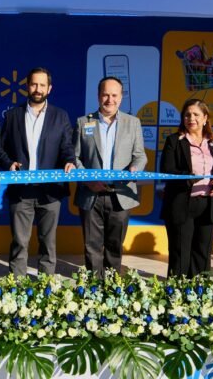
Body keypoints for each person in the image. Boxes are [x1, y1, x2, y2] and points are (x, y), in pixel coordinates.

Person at [0, 67, 75, 278]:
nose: (38, 89)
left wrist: (70, 162)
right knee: (19, 242)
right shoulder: (13, 115)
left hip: (50, 191)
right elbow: (0, 149)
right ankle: (16, 287)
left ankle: (46, 286)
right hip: (21, 191)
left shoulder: (60, 116)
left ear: (49, 88)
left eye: (42, 85)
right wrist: (9, 164)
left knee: (48, 243)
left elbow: (67, 148)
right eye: (34, 84)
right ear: (27, 86)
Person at [74, 76, 147, 277]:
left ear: (121, 97)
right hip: (91, 194)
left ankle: (113, 285)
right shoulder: (83, 122)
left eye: (114, 95)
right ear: (98, 96)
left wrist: (136, 167)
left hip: (121, 193)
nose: (110, 100)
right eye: (105, 95)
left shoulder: (133, 123)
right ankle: (93, 286)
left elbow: (140, 155)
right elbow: (75, 157)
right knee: (92, 245)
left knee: (115, 245)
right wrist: (88, 180)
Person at [160, 99, 213, 277]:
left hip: (210, 204)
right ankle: (177, 291)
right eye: (187, 115)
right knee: (180, 255)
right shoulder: (174, 141)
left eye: (195, 114)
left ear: (205, 118)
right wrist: (191, 178)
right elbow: (167, 170)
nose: (191, 118)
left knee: (203, 254)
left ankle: (200, 290)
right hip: (181, 204)